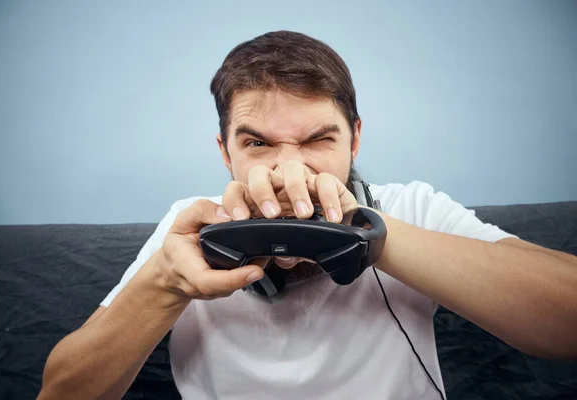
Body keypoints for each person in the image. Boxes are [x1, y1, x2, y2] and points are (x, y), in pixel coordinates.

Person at [38, 30, 577, 400]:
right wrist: (166, 283)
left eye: (319, 139)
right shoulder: (189, 224)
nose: (288, 169)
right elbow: (61, 393)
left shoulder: (411, 206)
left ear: (356, 139)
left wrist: (371, 236)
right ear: (225, 153)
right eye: (257, 143)